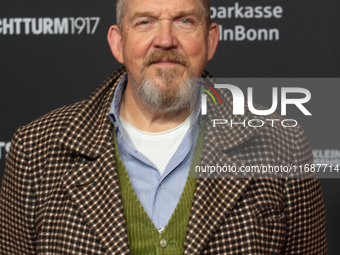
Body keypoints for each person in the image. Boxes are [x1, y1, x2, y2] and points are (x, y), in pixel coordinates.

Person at [0, 0, 327, 254]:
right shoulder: (35, 148)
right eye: (145, 22)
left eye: (185, 21)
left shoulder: (283, 143)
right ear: (118, 43)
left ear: (210, 40)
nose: (166, 40)